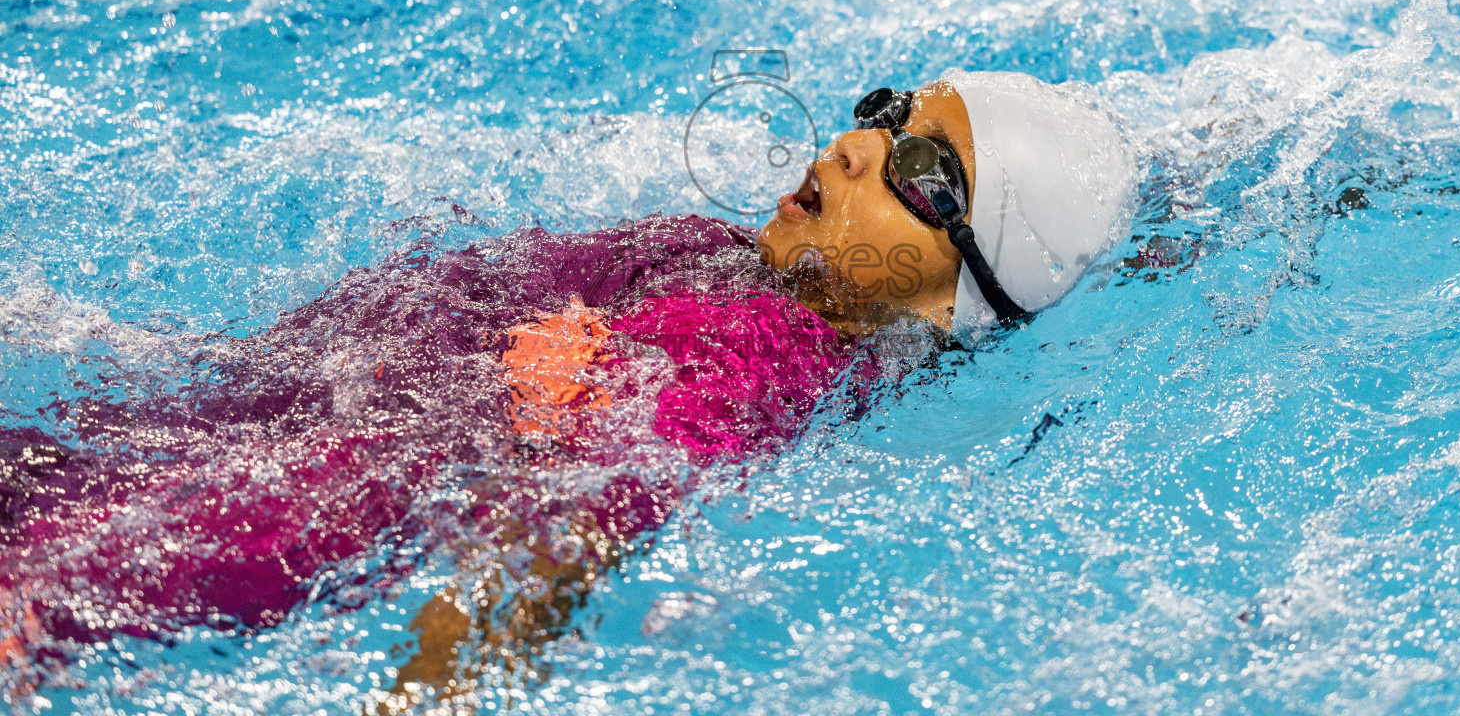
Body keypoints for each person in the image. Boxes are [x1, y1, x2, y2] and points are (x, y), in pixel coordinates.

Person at [0, 70, 1135, 710]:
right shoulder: (718, 252)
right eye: (890, 115)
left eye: (922, 174)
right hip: (192, 424)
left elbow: (561, 540)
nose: (851, 149)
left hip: (266, 511)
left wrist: (424, 694)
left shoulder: (764, 372)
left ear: (961, 293)